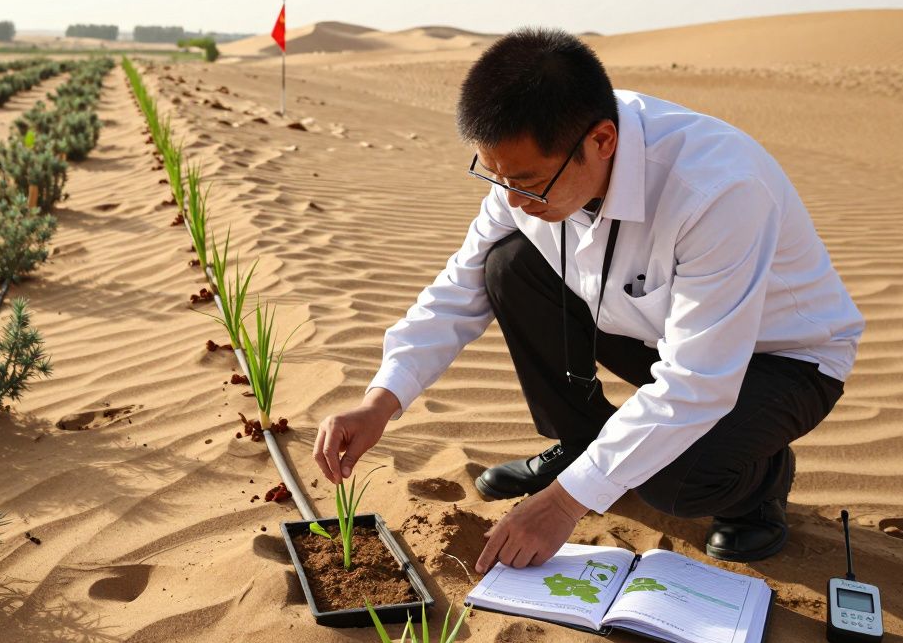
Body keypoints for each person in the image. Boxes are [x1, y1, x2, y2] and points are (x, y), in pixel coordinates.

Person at [312, 28, 864, 572]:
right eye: (494, 175)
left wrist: (563, 503)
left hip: (778, 360)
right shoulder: (527, 172)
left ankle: (761, 484)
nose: (510, 199)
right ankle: (583, 442)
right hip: (649, 325)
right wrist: (380, 401)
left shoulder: (719, 191)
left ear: (602, 141)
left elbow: (699, 379)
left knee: (673, 480)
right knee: (506, 265)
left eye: (527, 182)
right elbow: (460, 287)